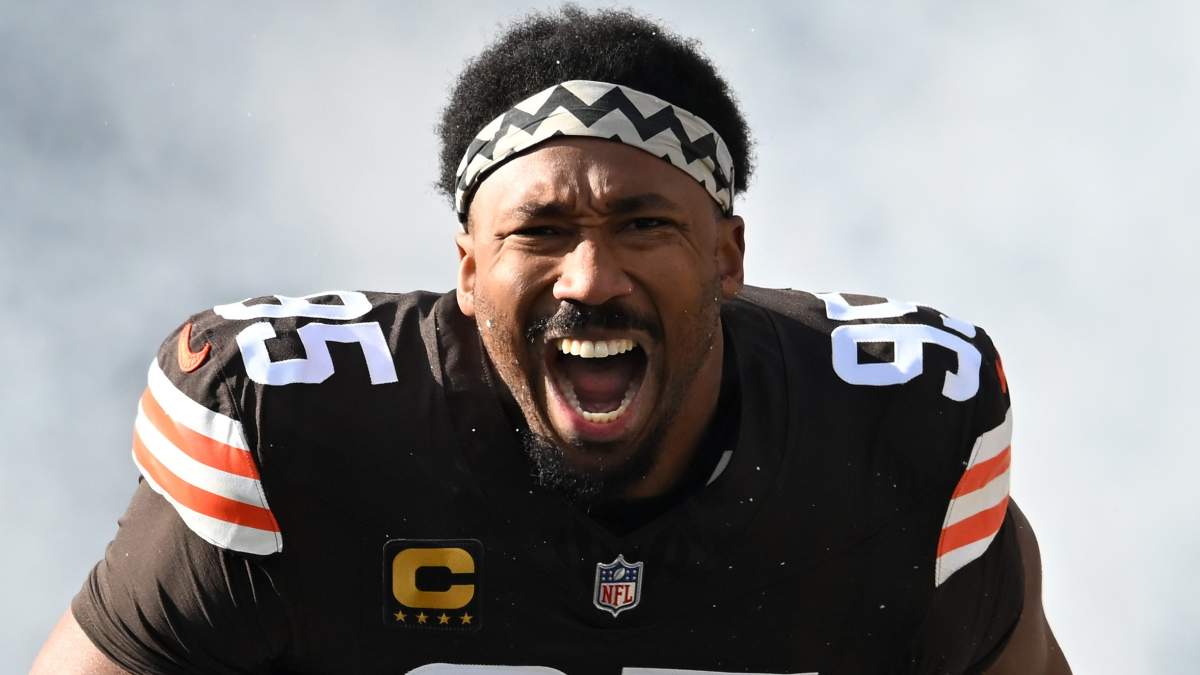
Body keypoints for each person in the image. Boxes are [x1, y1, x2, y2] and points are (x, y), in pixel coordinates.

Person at [33, 6, 1070, 674]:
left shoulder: (897, 435)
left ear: (727, 256)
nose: (590, 279)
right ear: (468, 270)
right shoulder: (288, 429)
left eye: (643, 224)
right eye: (539, 231)